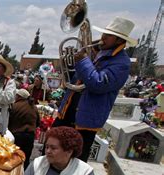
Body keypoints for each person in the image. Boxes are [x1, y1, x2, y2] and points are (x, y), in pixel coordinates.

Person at [53, 17, 137, 162]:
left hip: (85, 122)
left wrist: (83, 60)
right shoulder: (96, 52)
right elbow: (76, 79)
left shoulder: (121, 64)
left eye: (108, 35)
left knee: (73, 162)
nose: (102, 37)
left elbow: (98, 84)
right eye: (104, 33)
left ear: (119, 41)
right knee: (51, 153)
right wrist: (71, 63)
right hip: (67, 112)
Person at [9, 89, 39, 169]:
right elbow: (38, 122)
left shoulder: (14, 106)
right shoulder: (33, 106)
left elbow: (9, 121)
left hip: (17, 135)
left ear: (19, 96)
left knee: (15, 159)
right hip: (30, 136)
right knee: (26, 159)